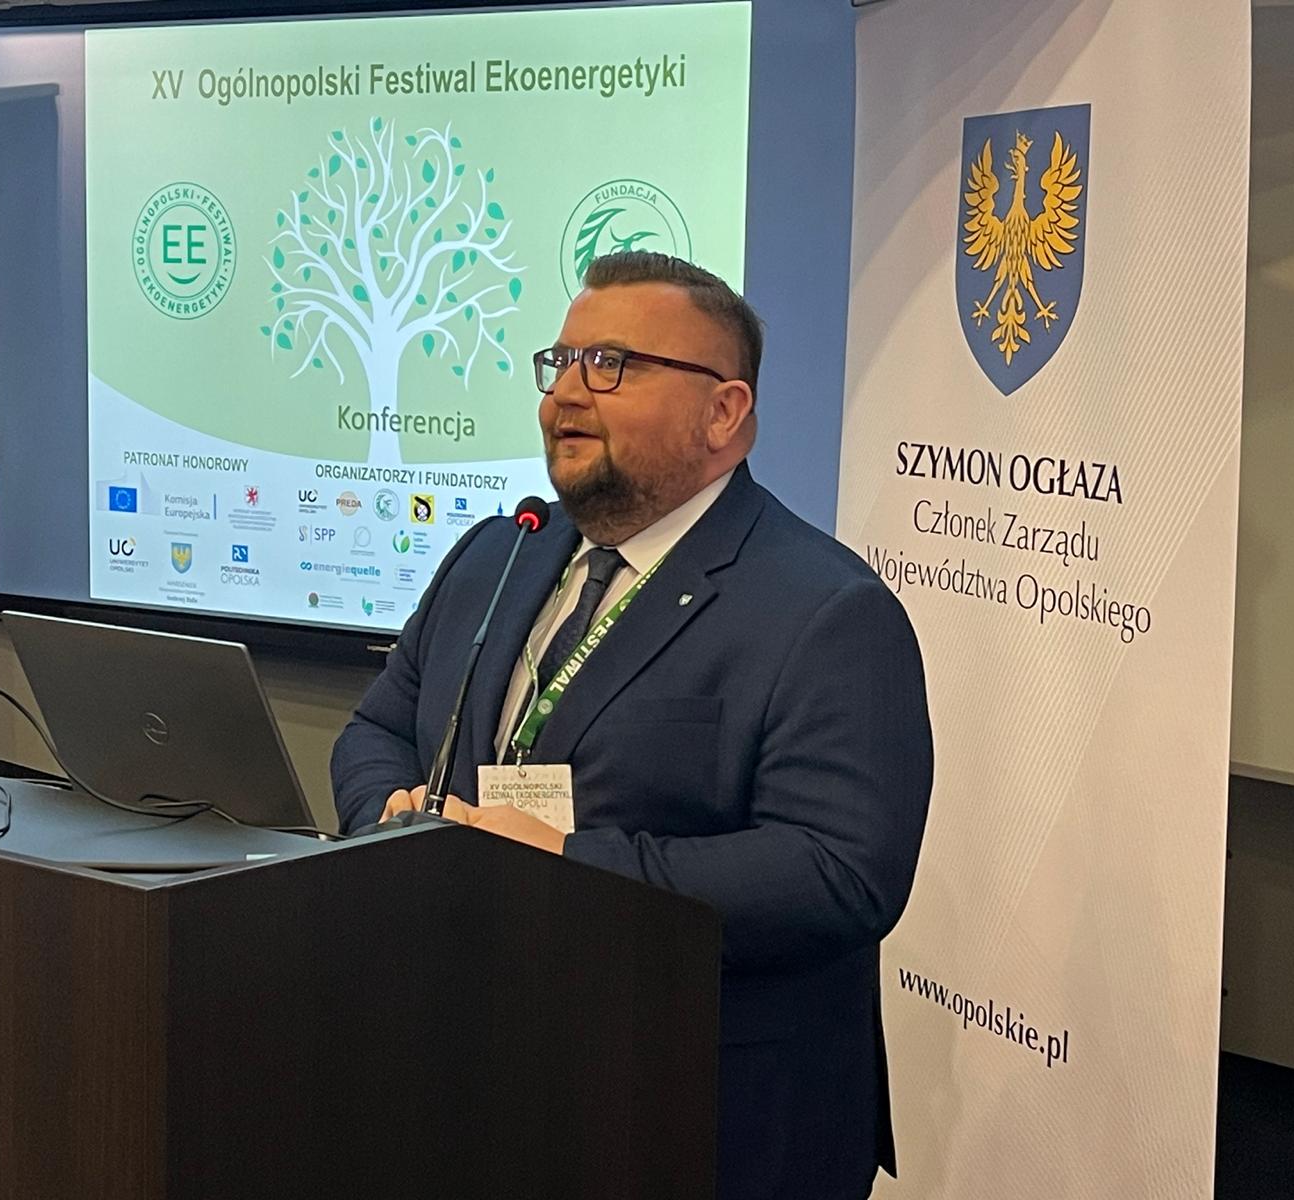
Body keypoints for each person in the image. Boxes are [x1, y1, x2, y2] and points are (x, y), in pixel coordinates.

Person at [331, 252, 933, 1199]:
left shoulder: (827, 612)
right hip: (478, 1076)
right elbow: (378, 730)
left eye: (611, 365)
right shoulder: (498, 553)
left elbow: (839, 873)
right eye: (560, 362)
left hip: (705, 1115)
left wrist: (566, 868)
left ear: (723, 413)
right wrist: (389, 817)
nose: (566, 395)